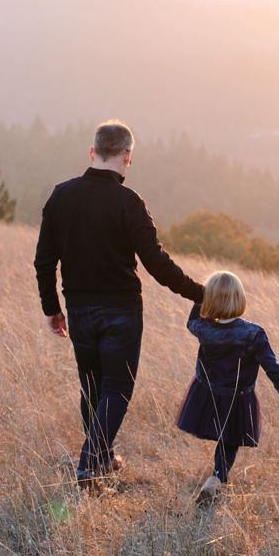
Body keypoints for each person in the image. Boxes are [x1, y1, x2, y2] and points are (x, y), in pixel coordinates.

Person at [34, 120, 205, 490]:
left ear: (92, 152)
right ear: (127, 156)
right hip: (122, 313)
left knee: (92, 388)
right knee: (116, 389)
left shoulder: (61, 196)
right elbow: (157, 264)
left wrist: (52, 307)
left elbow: (44, 261)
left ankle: (104, 459)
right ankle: (89, 466)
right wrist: (201, 294)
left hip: (78, 311)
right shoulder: (130, 202)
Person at [175, 271, 279, 504]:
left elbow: (191, 321)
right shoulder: (253, 334)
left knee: (223, 435)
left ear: (210, 300)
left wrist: (200, 297)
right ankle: (217, 477)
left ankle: (217, 479)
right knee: (229, 439)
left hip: (207, 393)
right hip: (238, 397)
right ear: (239, 298)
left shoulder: (203, 328)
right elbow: (272, 367)